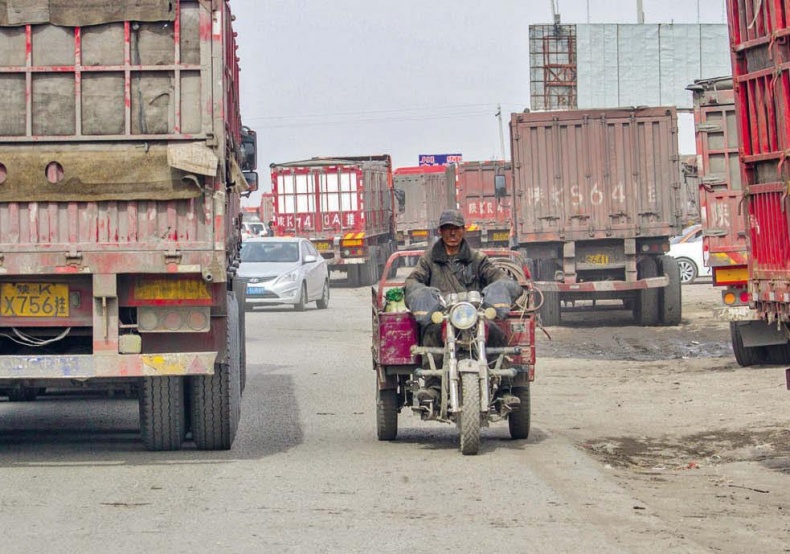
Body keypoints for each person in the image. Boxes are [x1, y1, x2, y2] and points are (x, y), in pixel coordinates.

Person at [404, 209, 521, 405]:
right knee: (430, 335)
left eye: (456, 229)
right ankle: (433, 387)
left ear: (463, 231)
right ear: (440, 231)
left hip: (474, 316)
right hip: (443, 316)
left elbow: (499, 277)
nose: (452, 234)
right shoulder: (429, 259)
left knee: (497, 334)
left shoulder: (477, 258)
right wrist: (423, 294)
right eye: (447, 229)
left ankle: (504, 388)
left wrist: (497, 290)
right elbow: (413, 281)